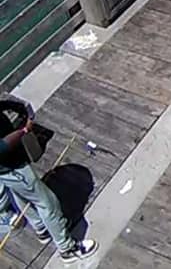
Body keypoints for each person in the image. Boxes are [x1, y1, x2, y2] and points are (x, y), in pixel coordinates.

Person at [0, 95, 98, 263]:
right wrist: (24, 131)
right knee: (47, 203)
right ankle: (67, 248)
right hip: (11, 166)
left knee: (21, 195)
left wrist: (11, 106)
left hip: (10, 165)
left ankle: (41, 229)